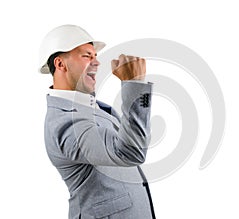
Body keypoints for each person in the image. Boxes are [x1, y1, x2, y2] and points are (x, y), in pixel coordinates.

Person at [39, 24, 155, 219]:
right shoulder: (64, 124)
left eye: (95, 56)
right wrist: (135, 85)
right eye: (87, 56)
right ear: (60, 64)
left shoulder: (91, 107)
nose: (97, 62)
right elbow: (131, 152)